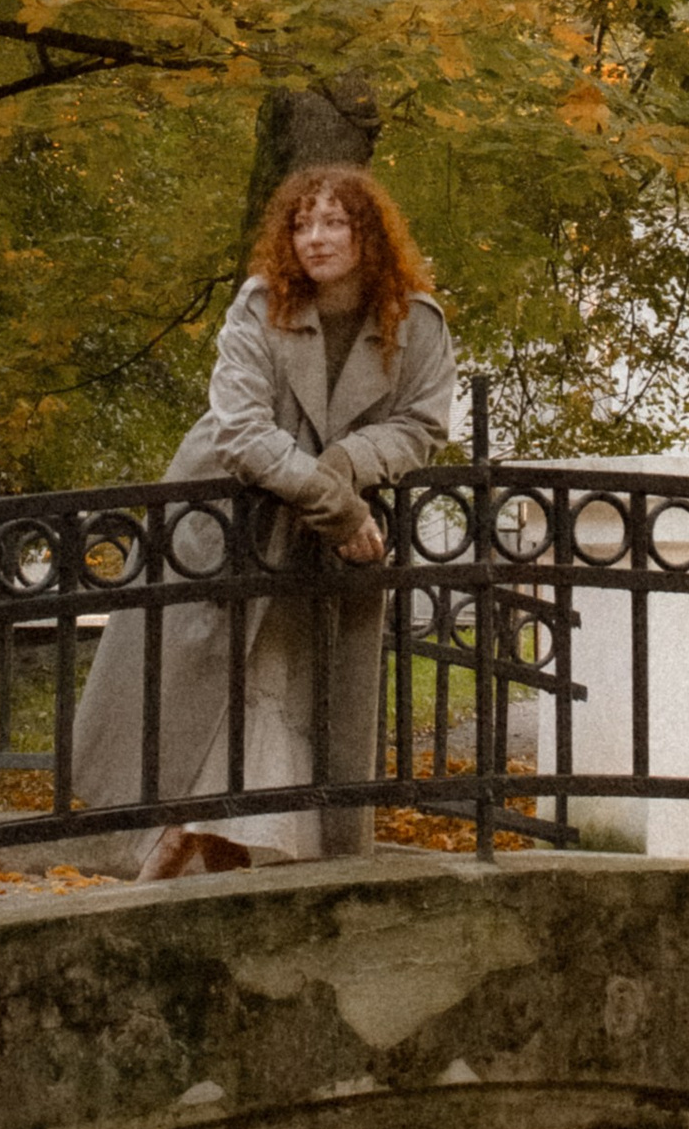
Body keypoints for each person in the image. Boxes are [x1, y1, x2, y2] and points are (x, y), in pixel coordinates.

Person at [70, 167, 458, 876]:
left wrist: (345, 460)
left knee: (286, 689)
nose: (315, 238)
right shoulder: (259, 306)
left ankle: (187, 856)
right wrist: (337, 504)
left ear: (367, 233)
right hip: (231, 522)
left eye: (334, 222)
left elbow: (422, 426)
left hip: (323, 547)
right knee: (225, 689)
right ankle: (187, 857)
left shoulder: (417, 322)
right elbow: (242, 430)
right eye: (302, 224)